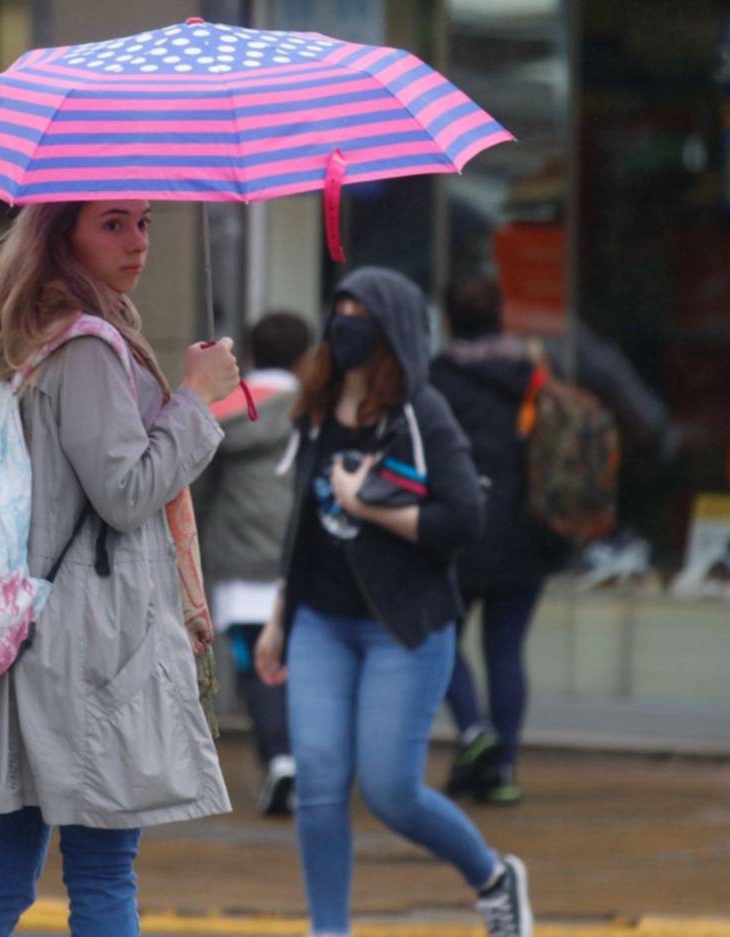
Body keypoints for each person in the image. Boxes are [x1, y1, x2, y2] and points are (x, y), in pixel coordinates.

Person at [0, 200, 242, 937]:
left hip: (19, 632)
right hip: (88, 646)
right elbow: (126, 491)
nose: (137, 242)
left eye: (144, 222)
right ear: (61, 235)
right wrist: (197, 398)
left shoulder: (22, 340)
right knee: (103, 872)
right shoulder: (88, 348)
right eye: (112, 224)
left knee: (1, 871)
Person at [254, 267, 533, 937]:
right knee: (319, 782)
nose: (346, 327)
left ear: (394, 331)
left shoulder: (421, 413)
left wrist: (368, 508)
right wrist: (279, 616)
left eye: (363, 316)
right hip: (320, 621)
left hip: (402, 627)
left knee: (390, 791)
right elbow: (303, 523)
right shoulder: (317, 405)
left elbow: (464, 519)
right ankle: (329, 929)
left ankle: (494, 878)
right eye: (340, 312)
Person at [431, 274, 574, 807]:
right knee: (507, 650)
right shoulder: (535, 372)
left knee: (438, 637)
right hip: (527, 529)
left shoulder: (439, 379)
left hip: (459, 531)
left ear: (448, 320)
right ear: (502, 316)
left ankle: (474, 732)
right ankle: (503, 766)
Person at [192, 310, 312, 817]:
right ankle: (311, 764)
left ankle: (280, 760)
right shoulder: (317, 406)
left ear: (252, 355)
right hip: (301, 556)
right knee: (304, 663)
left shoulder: (220, 410)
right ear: (305, 358)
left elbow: (197, 489)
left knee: (257, 667)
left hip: (239, 557)